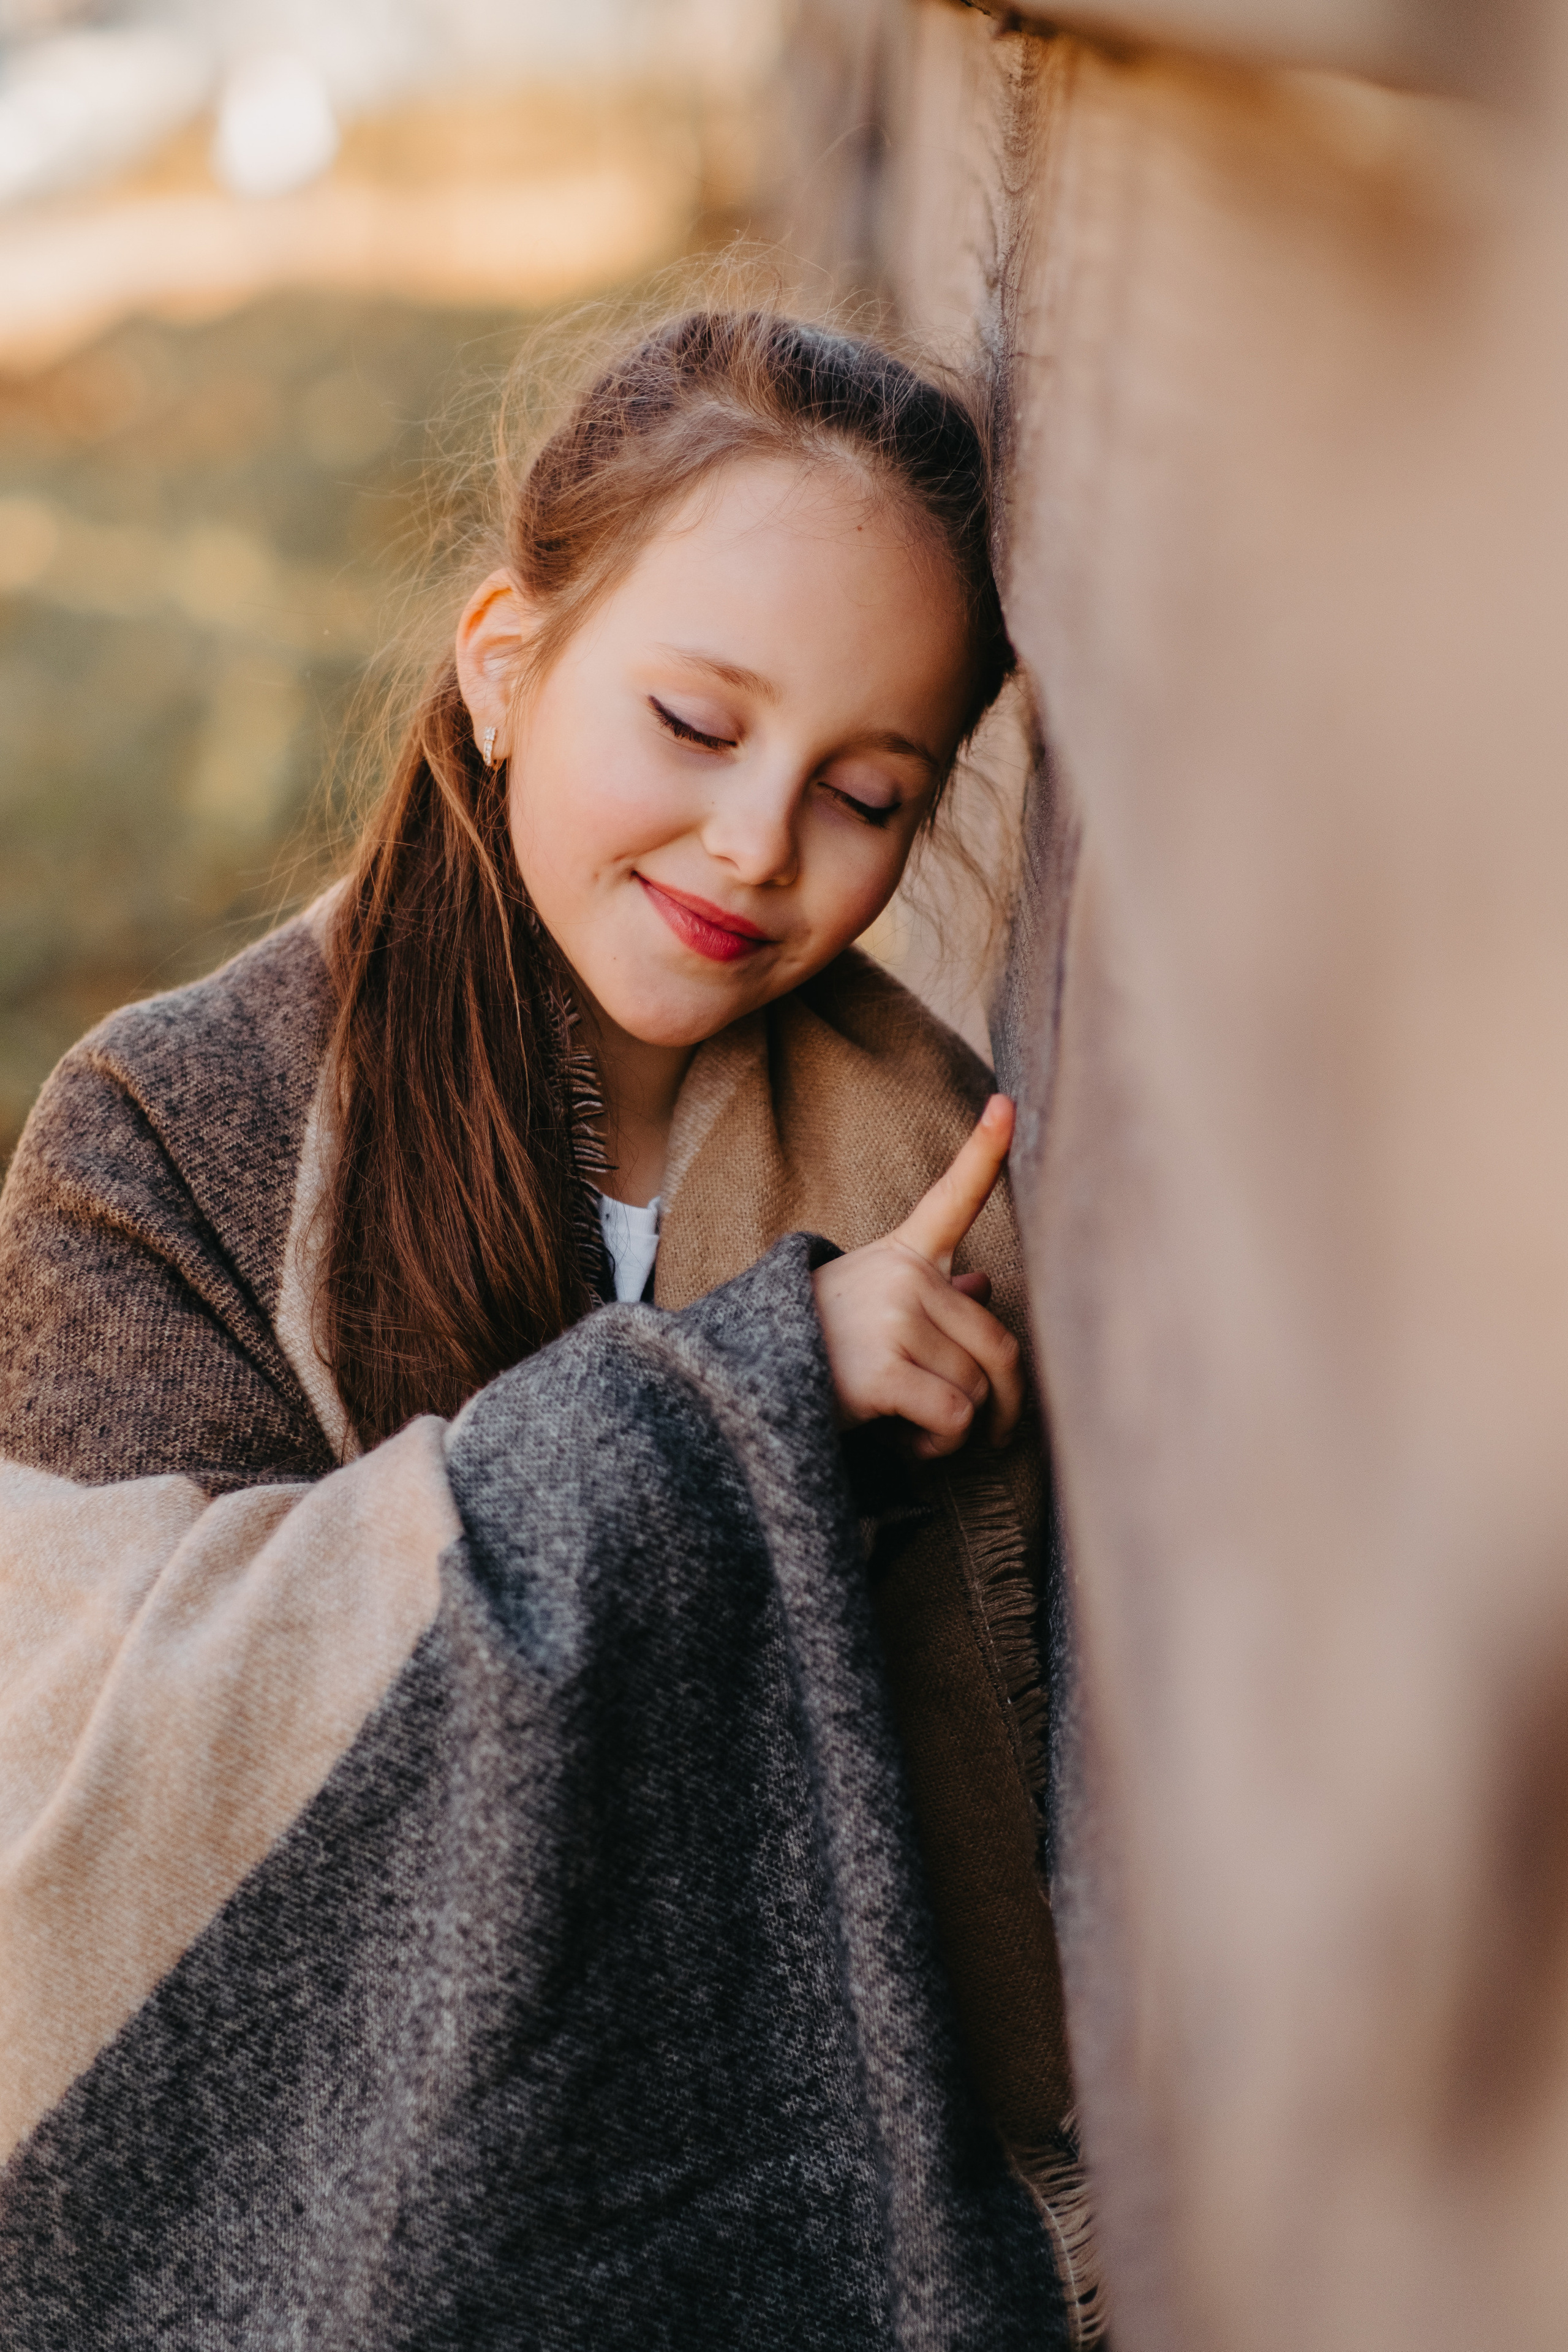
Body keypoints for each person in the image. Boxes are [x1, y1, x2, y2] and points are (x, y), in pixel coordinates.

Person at [0, 311, 1098, 2346]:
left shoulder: (937, 1173)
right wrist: (745, 1410)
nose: (761, 843)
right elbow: (101, 1777)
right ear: (507, 663)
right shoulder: (166, 1137)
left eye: (869, 791)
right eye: (693, 725)